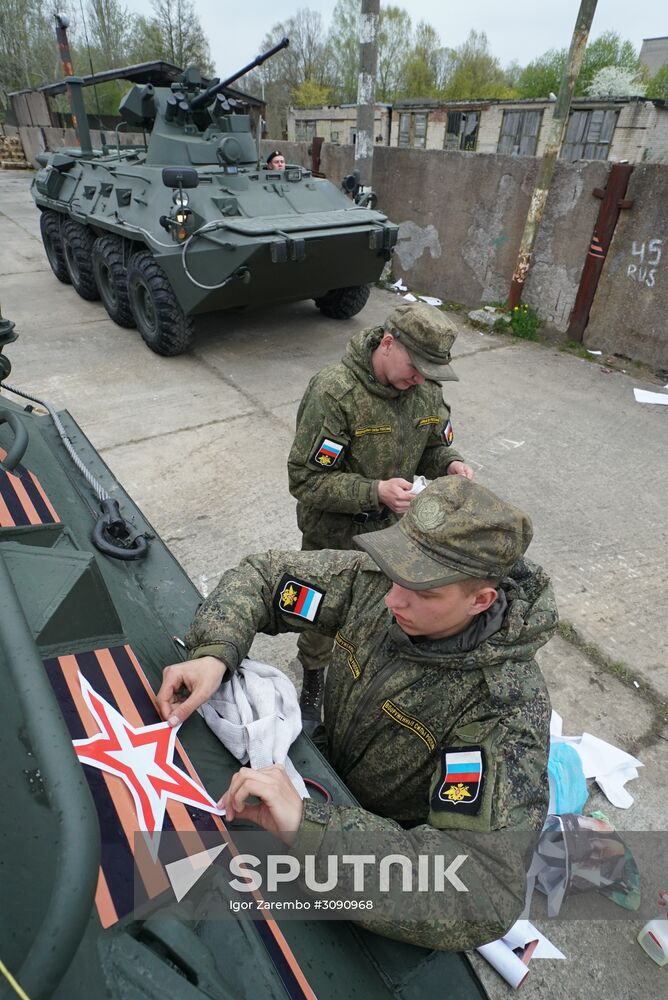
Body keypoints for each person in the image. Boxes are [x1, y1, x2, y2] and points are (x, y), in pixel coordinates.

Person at [157, 477, 557, 951]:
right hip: (318, 773)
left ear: (481, 601)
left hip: (376, 853)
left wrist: (311, 830)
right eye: (396, 574)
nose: (392, 600)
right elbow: (266, 578)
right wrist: (215, 652)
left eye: (423, 591)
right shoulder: (374, 588)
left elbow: (483, 886)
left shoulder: (502, 709)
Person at [287, 301, 475, 725]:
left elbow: (433, 446)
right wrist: (375, 492)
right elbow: (305, 479)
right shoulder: (335, 392)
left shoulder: (424, 389)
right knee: (319, 613)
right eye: (416, 366)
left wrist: (450, 464)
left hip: (394, 534)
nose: (420, 378)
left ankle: (364, 679)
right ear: (388, 343)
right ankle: (314, 677)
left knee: (385, 611)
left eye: (430, 370)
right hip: (333, 535)